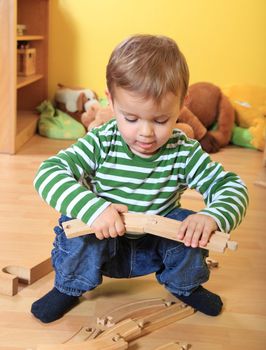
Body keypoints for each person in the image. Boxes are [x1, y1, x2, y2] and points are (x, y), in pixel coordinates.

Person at [31, 34, 248, 323]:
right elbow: (48, 173)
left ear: (182, 105)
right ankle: (69, 286)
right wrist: (94, 210)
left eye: (160, 120)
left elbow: (231, 186)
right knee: (75, 220)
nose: (146, 133)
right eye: (131, 118)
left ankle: (185, 283)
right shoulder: (101, 141)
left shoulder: (182, 151)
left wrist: (213, 217)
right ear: (111, 101)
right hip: (105, 241)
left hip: (156, 245)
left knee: (190, 224)